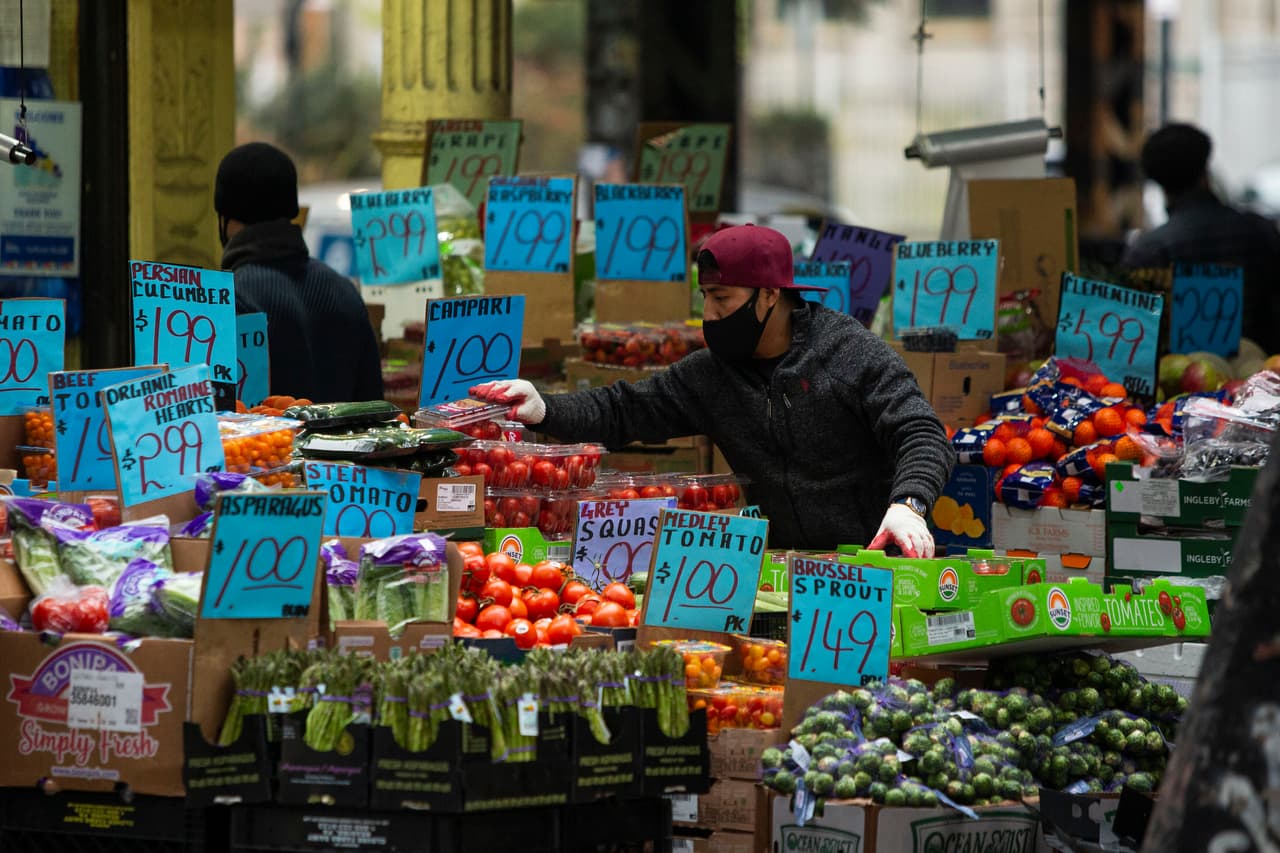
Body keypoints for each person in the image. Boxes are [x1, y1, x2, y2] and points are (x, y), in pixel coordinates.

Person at [471, 224, 955, 554]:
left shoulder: (847, 353)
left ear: (771, 295)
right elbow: (624, 410)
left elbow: (921, 431)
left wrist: (908, 505)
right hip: (782, 570)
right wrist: (543, 408)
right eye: (706, 298)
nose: (712, 314)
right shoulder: (713, 374)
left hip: (877, 558)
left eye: (723, 298)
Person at [215, 142, 383, 403]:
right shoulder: (344, 290)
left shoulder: (229, 299)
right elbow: (375, 404)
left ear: (225, 218)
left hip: (269, 446)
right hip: (350, 444)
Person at [1123, 123, 1280, 354]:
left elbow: (1132, 336)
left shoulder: (1149, 250)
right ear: (1205, 171)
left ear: (1157, 181)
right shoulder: (1260, 230)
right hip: (1266, 376)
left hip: (1179, 384)